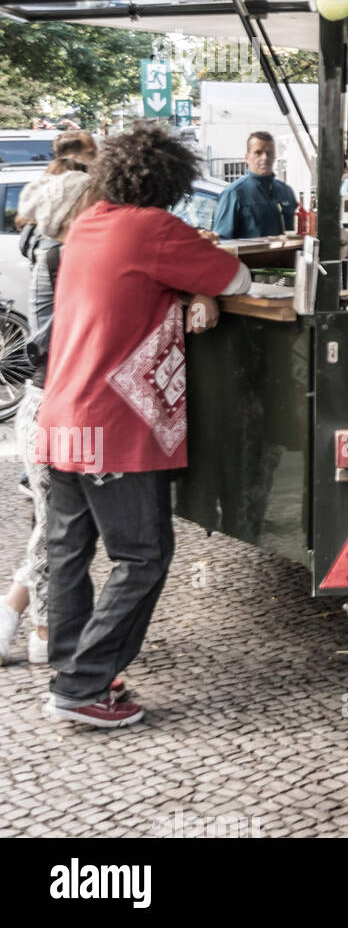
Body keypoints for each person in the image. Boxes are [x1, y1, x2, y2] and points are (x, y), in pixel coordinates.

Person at [38, 123, 250, 728]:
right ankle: (82, 686)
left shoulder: (90, 224)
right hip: (115, 424)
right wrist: (195, 288)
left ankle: (72, 673)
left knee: (69, 554)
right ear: (170, 180)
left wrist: (182, 292)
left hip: (62, 417)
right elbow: (234, 279)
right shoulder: (154, 228)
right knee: (143, 555)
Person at [0, 140, 96, 668]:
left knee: (57, 522)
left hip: (44, 394)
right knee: (57, 525)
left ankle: (13, 614)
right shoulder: (63, 252)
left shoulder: (48, 245)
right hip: (52, 394)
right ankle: (43, 629)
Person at [213, 132, 296, 239]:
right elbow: (222, 240)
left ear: (275, 157)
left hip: (287, 254)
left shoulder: (286, 192)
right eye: (258, 153)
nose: (265, 158)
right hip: (250, 255)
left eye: (269, 153)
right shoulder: (234, 194)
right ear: (247, 158)